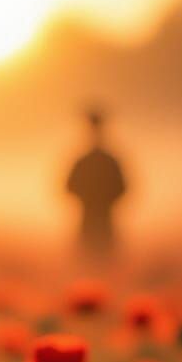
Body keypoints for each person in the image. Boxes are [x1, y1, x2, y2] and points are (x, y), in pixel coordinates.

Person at [65, 107, 127, 255]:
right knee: (92, 253)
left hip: (101, 217)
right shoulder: (106, 160)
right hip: (93, 217)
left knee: (97, 253)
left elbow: (122, 187)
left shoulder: (89, 161)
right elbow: (69, 186)